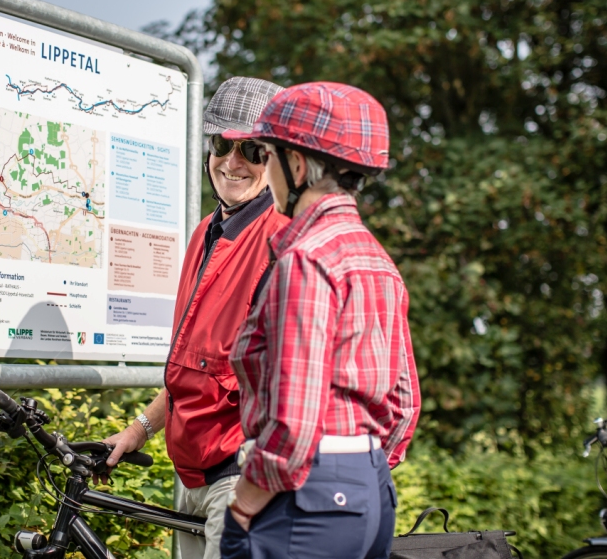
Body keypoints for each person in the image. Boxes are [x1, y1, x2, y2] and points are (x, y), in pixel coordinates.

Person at [218, 82, 421, 559]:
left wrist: (244, 504)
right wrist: (357, 467)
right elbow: (405, 401)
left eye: (268, 154)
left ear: (299, 165)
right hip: (370, 490)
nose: (264, 169)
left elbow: (293, 424)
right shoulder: (376, 259)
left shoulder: (307, 259)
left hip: (305, 497)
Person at [103, 77, 288, 559]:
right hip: (190, 474)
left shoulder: (281, 240)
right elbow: (196, 367)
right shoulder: (206, 232)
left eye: (251, 148)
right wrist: (139, 428)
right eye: (221, 144)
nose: (232, 161)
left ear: (278, 157)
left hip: (240, 474)